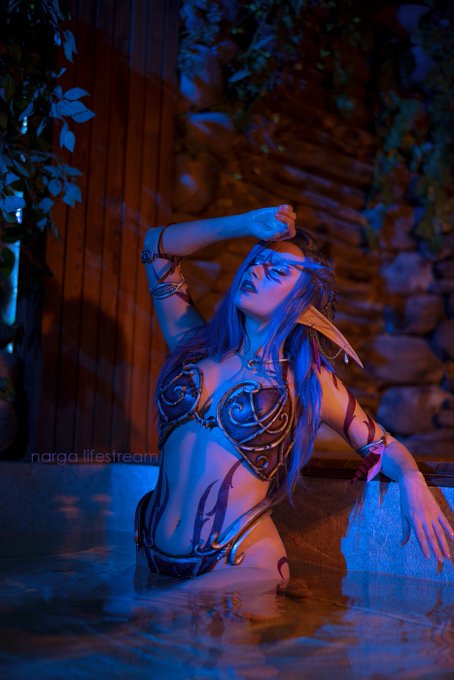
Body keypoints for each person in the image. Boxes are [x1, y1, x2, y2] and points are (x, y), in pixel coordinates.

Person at [135, 205, 453, 585]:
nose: (255, 271)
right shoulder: (194, 345)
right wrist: (245, 224)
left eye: (277, 271)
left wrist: (412, 479)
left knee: (132, 615)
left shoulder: (308, 382)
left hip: (240, 561)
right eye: (256, 261)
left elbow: (382, 446)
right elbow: (156, 248)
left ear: (302, 303)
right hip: (148, 550)